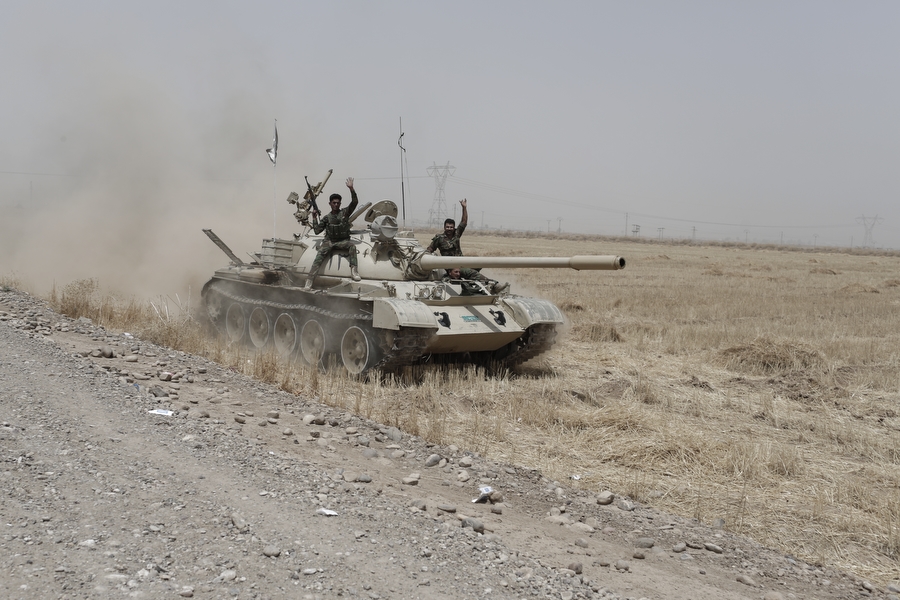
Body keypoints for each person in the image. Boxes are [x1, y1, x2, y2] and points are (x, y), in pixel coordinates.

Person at [427, 199, 509, 294]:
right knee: (472, 273)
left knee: (479, 264)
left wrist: (464, 208)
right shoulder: (439, 238)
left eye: (451, 227)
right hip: (452, 266)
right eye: (447, 227)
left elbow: (464, 222)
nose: (449, 229)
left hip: (462, 261)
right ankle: (494, 284)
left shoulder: (456, 234)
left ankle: (475, 284)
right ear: (444, 227)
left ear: (454, 228)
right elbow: (430, 249)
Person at [305, 177, 360, 289]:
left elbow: (355, 202)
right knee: (319, 256)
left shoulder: (345, 213)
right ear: (330, 203)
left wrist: (351, 188)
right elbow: (316, 231)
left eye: (338, 203)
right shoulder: (326, 218)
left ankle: (354, 271)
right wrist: (314, 218)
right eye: (334, 203)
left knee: (352, 247)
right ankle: (310, 279)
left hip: (342, 241)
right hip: (330, 242)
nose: (336, 205)